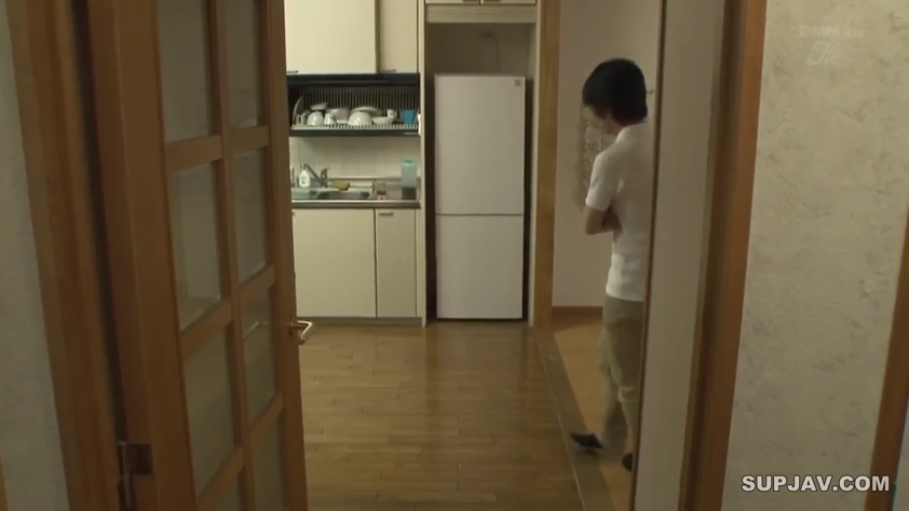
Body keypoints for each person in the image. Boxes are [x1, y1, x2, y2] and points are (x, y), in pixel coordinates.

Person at [569, 58, 653, 473]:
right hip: (662, 282)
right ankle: (608, 435)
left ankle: (649, 455)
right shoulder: (666, 144)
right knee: (609, 361)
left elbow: (590, 223)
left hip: (629, 285)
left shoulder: (614, 157)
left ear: (606, 108)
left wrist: (618, 218)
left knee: (629, 379)